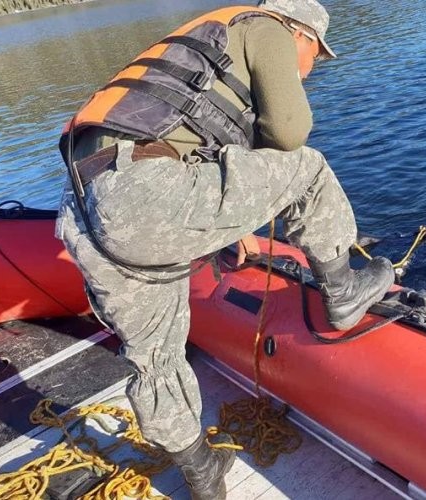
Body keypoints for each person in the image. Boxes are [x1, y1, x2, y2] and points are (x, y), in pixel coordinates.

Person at [54, 1, 394, 498]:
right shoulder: (269, 27)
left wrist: (230, 226)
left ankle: (202, 473)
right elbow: (289, 133)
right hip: (146, 194)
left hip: (85, 211)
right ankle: (342, 291)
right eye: (316, 56)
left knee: (154, 360)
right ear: (302, 33)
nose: (310, 67)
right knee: (309, 166)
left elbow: (177, 140)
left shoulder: (205, 38)